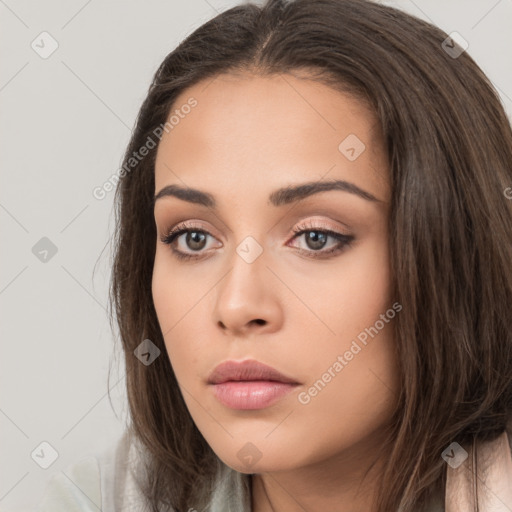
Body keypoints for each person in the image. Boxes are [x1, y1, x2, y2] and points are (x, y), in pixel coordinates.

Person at [37, 0, 512, 510]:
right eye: (193, 238)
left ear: (456, 252)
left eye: (316, 237)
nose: (237, 306)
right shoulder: (98, 499)